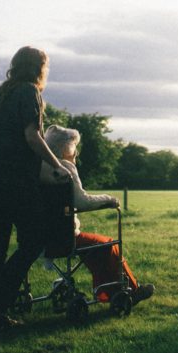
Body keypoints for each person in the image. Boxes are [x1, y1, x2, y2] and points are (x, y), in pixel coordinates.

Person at [0, 46, 71, 329]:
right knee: (33, 241)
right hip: (14, 184)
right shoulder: (29, 92)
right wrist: (57, 165)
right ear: (39, 68)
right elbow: (33, 136)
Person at [41, 125, 154, 305]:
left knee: (95, 247)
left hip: (41, 237)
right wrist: (109, 199)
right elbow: (82, 202)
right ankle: (131, 289)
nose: (76, 151)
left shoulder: (40, 167)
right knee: (108, 244)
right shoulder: (65, 167)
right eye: (73, 145)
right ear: (63, 147)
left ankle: (106, 292)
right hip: (64, 237)